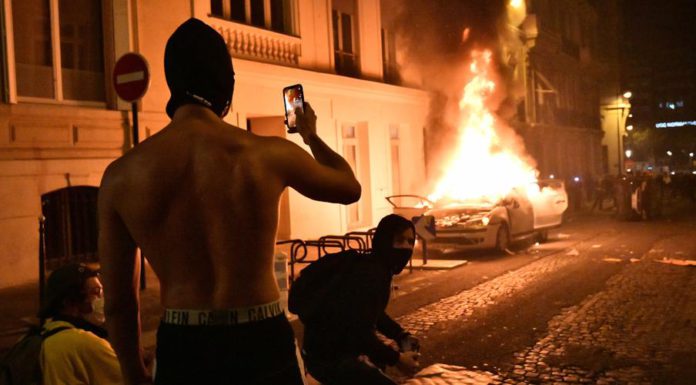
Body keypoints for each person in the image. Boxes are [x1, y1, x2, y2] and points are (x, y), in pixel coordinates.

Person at [97, 18, 361, 385]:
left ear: (173, 82)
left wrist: (134, 375)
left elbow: (119, 304)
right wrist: (311, 135)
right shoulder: (266, 154)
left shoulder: (121, 176)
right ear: (225, 83)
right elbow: (349, 188)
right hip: (261, 337)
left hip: (183, 343)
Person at [297, 214, 421, 385]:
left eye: (410, 241)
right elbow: (359, 333)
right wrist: (398, 359)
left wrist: (400, 334)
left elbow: (370, 312)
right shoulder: (373, 275)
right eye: (399, 240)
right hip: (331, 359)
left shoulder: (372, 265)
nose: (406, 247)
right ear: (385, 240)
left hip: (321, 352)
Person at [38, 263, 124, 385]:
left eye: (102, 291)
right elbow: (131, 378)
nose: (102, 298)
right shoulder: (84, 343)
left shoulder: (46, 333)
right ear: (68, 302)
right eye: (96, 292)